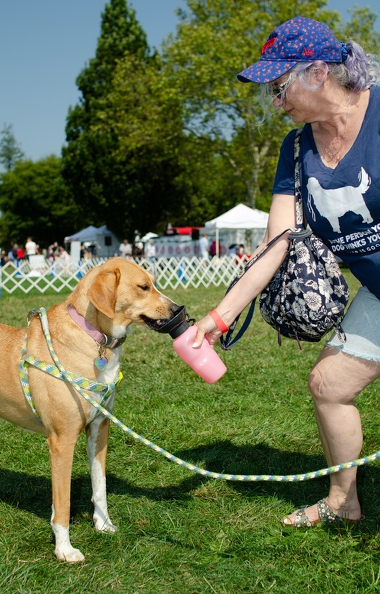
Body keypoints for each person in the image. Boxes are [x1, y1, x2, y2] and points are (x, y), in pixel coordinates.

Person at [193, 16, 380, 527]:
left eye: (280, 87)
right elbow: (281, 243)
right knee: (329, 384)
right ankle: (344, 505)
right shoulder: (296, 149)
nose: (276, 102)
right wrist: (221, 317)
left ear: (318, 72)